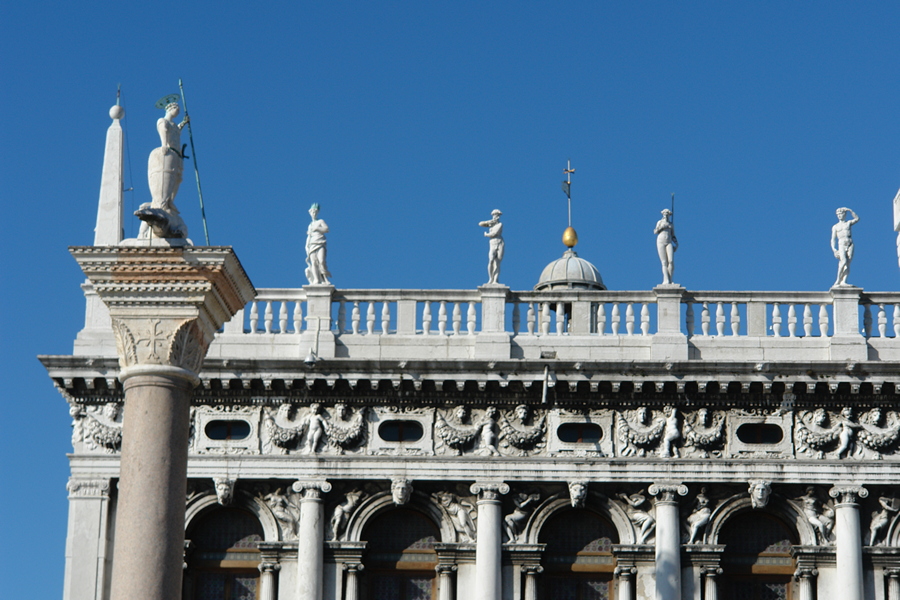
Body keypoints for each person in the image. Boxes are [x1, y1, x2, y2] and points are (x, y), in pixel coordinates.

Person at [141, 101, 190, 238]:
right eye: (176, 108)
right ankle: (163, 203)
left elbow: (176, 132)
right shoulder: (162, 121)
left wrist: (184, 123)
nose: (178, 111)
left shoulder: (174, 125)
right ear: (170, 108)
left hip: (177, 156)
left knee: (178, 179)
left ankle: (170, 202)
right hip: (168, 152)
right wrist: (164, 145)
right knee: (167, 179)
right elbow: (164, 131)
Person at [831, 207, 859, 286]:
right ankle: (838, 280)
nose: (839, 216)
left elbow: (857, 218)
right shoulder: (835, 227)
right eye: (838, 214)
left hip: (850, 242)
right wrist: (834, 250)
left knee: (847, 263)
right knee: (843, 261)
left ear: (844, 214)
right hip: (841, 243)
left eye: (841, 214)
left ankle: (844, 281)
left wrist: (850, 210)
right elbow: (833, 239)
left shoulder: (848, 223)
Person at [305, 203, 331, 284]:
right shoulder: (310, 225)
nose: (313, 214)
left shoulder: (320, 221)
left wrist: (317, 228)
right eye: (312, 212)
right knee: (313, 262)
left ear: (317, 212)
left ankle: (324, 278)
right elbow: (309, 237)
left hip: (320, 242)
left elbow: (326, 229)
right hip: (312, 244)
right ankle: (316, 279)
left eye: (315, 212)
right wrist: (306, 247)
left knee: (321, 261)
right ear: (310, 213)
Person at [478, 209, 504, 284]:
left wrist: (486, 234)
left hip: (499, 242)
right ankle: (490, 278)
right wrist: (489, 222)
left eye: (498, 215)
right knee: (491, 260)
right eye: (495, 215)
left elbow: (494, 233)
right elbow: (480, 224)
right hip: (492, 242)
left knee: (497, 262)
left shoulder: (500, 224)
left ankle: (495, 279)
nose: (497, 216)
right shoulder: (492, 223)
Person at [654, 209, 677, 285]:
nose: (666, 214)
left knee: (671, 261)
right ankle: (666, 279)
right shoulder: (659, 222)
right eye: (665, 213)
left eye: (667, 213)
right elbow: (655, 231)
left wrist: (676, 244)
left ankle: (670, 279)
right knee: (664, 262)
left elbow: (673, 235)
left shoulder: (671, 224)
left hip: (669, 241)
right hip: (660, 241)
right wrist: (662, 227)